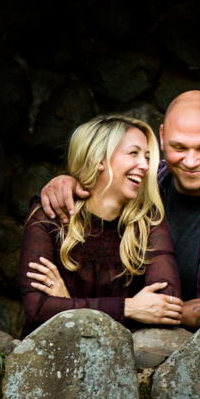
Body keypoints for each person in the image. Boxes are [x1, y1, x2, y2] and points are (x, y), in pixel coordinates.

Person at [39, 90, 200, 333]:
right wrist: (69, 182)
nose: (190, 161)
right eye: (179, 147)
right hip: (142, 353)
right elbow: (101, 181)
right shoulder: (143, 181)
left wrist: (155, 312)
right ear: (162, 137)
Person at [19, 114, 185, 332]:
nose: (145, 165)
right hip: (52, 358)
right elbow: (37, 309)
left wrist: (68, 309)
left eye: (146, 157)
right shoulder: (49, 215)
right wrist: (129, 309)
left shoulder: (148, 221)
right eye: (133, 153)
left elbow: (167, 304)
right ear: (98, 159)